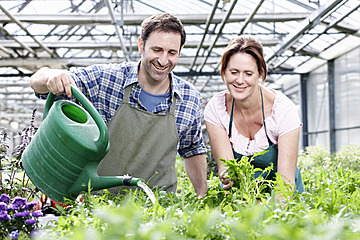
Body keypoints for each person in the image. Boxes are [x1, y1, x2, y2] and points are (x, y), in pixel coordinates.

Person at [29, 13, 207, 198]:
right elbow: (37, 82)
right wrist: (53, 75)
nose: (163, 60)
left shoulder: (189, 98)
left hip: (158, 210)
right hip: (101, 207)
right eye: (157, 50)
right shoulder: (106, 79)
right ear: (141, 45)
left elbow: (193, 150)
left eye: (172, 53)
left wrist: (202, 198)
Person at [204, 35, 304, 195]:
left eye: (248, 74)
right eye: (234, 72)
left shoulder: (283, 110)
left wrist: (277, 216)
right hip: (242, 199)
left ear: (260, 74)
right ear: (224, 71)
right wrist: (228, 178)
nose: (240, 80)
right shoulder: (217, 109)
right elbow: (226, 168)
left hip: (283, 198)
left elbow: (285, 182)